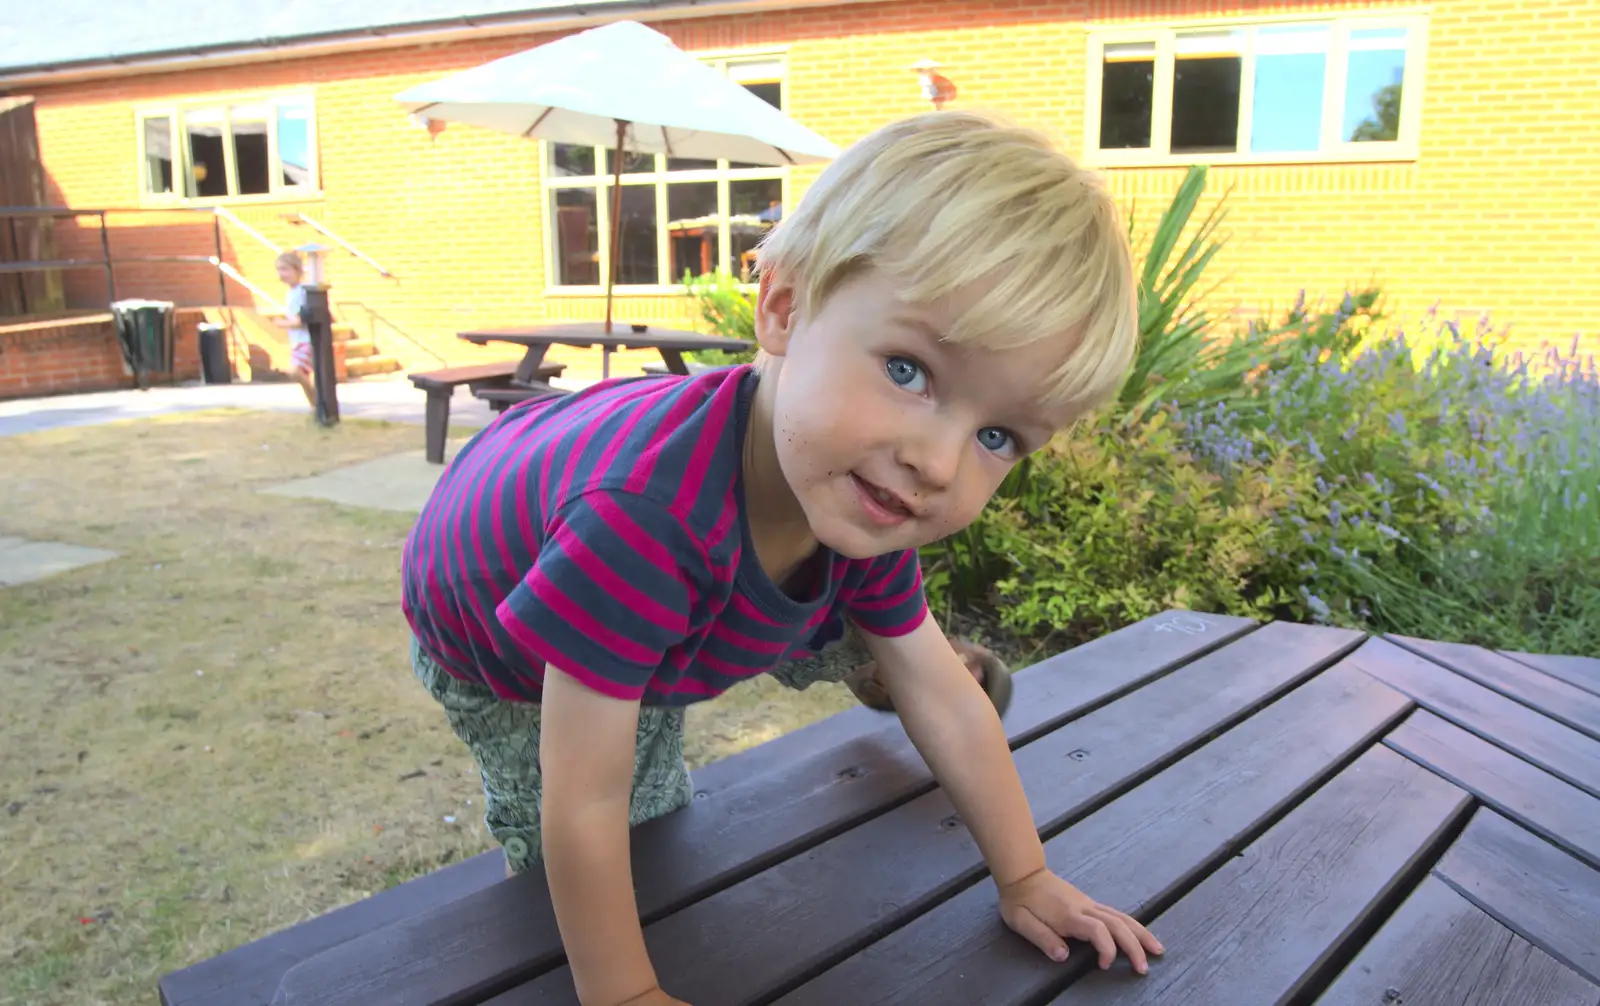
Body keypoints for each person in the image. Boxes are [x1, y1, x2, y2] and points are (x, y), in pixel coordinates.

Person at [400, 109, 1160, 1006]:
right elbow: (585, 805)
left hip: (689, 526)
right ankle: (820, 643)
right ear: (785, 309)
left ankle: (835, 637)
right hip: (500, 637)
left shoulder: (862, 478)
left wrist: (1027, 877)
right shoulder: (642, 526)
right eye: (909, 371)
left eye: (997, 435)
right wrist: (625, 994)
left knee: (880, 618)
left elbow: (943, 697)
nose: (939, 463)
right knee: (631, 810)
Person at [271, 250, 316, 408]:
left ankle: (317, 403)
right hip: (296, 341)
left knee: (295, 372)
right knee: (300, 375)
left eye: (285, 269)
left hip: (306, 340)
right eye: (279, 269)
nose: (281, 274)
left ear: (297, 270)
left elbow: (301, 320)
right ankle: (315, 405)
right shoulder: (290, 293)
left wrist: (282, 323)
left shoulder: (302, 292)